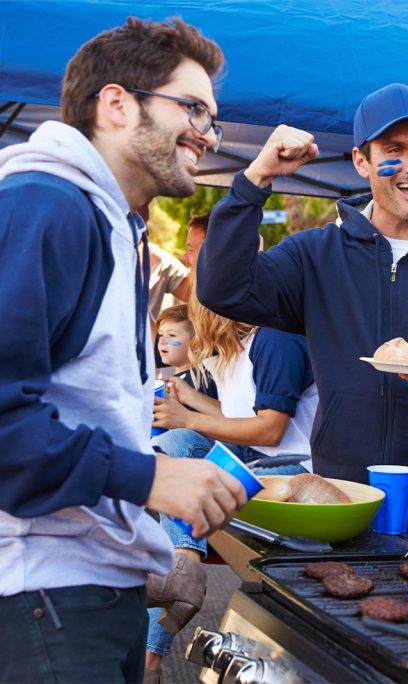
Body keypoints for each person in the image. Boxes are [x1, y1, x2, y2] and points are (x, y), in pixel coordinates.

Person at [0, 17, 246, 684]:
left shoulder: (114, 226)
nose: (207, 132)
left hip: (87, 592)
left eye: (214, 118)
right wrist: (153, 478)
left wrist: (145, 552)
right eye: (191, 107)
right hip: (42, 600)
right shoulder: (47, 205)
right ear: (116, 104)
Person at [197, 83, 408, 552]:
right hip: (339, 511)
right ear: (361, 161)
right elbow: (222, 287)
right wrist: (257, 180)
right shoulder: (315, 255)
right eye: (394, 150)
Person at [146, 291, 316, 677]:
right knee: (169, 449)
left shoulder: (275, 340)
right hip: (256, 463)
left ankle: (183, 567)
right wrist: (187, 399)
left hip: (293, 472)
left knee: (177, 443)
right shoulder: (233, 353)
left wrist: (186, 419)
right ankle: (179, 572)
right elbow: (236, 417)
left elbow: (270, 431)